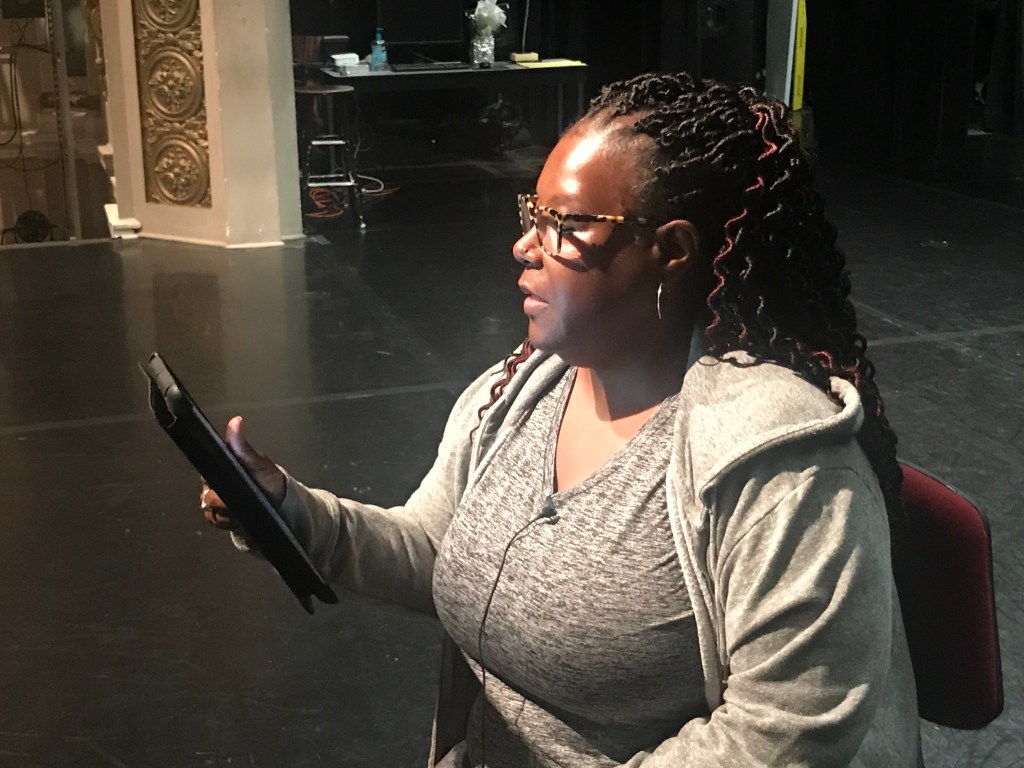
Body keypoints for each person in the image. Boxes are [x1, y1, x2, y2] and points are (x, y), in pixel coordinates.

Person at [200, 71, 922, 767]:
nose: (524, 245)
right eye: (532, 214)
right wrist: (290, 513)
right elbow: (436, 550)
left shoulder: (787, 468)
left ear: (671, 251)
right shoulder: (527, 386)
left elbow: (779, 738)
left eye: (566, 225)